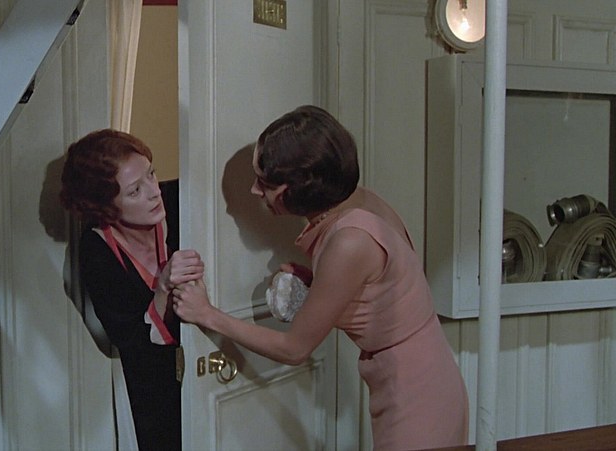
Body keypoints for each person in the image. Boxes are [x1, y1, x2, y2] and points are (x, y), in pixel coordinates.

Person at [172, 105, 468, 450]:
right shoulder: (358, 201)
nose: (254, 191)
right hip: (425, 372)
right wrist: (319, 283)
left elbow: (294, 349)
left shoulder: (349, 241)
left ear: (299, 187)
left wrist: (207, 314)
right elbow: (377, 286)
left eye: (265, 183)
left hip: (416, 393)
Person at [59, 129, 203, 450]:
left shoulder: (181, 201)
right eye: (135, 191)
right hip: (153, 397)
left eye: (151, 174)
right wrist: (163, 288)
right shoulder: (97, 252)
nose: (154, 192)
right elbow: (133, 345)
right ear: (106, 208)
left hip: (208, 371)